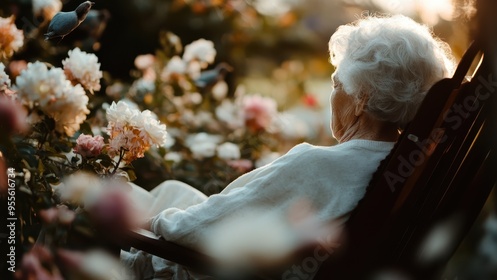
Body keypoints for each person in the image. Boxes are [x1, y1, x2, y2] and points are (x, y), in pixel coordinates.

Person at [121, 14, 455, 279]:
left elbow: (195, 230)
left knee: (121, 198)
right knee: (173, 190)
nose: (332, 93)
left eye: (337, 82)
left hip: (195, 266)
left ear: (362, 99)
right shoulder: (394, 167)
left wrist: (144, 223)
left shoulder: (319, 167)